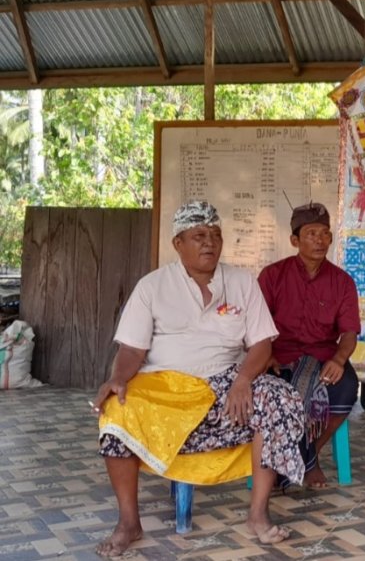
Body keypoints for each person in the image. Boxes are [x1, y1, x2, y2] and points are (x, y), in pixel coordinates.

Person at [93, 201, 305, 557]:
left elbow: (262, 344)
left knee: (280, 398)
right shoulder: (152, 286)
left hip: (226, 385)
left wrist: (242, 380)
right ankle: (129, 522)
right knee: (116, 410)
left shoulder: (240, 282)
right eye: (199, 236)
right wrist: (117, 378)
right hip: (167, 387)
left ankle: (257, 514)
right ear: (178, 243)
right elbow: (132, 349)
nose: (210, 243)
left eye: (216, 235)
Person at [258, 202, 361, 488]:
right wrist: (265, 356)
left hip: (324, 355)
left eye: (325, 233)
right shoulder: (272, 276)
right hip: (279, 357)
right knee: (270, 391)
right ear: (294, 240)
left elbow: (350, 333)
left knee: (347, 386)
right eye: (311, 233)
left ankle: (308, 456)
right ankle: (289, 461)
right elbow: (257, 326)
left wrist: (340, 360)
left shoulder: (342, 282)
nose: (319, 239)